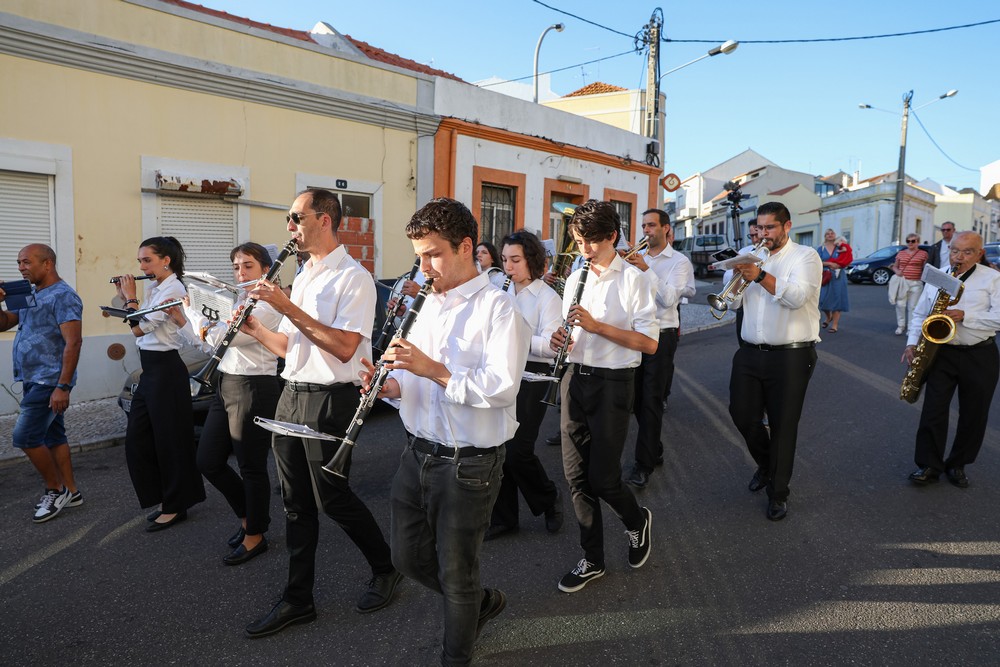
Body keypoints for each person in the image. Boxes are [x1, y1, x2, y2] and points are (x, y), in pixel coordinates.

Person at [363, 197, 528, 665]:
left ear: (466, 247)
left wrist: (434, 369)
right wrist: (390, 388)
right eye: (419, 256)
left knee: (456, 572)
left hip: (468, 464)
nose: (424, 267)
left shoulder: (499, 309)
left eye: (433, 254)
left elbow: (500, 388)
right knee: (406, 558)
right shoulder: (424, 306)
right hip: (415, 452)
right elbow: (415, 384)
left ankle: (457, 648)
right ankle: (477, 601)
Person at [241, 188, 398, 638]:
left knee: (332, 497)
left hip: (331, 398)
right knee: (295, 503)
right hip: (291, 392)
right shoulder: (306, 272)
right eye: (289, 219)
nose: (290, 227)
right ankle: (298, 599)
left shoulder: (354, 278)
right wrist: (255, 328)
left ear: (324, 220)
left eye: (296, 217)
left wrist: (286, 305)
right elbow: (292, 347)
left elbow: (345, 347)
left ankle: (386, 568)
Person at [549, 199, 658, 593]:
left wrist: (597, 327)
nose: (585, 250)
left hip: (614, 382)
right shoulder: (575, 276)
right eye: (579, 242)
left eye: (592, 241)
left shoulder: (634, 280)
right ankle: (592, 559)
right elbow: (572, 330)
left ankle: (636, 520)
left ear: (612, 236)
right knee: (576, 476)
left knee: (604, 478)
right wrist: (559, 338)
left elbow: (649, 344)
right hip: (575, 377)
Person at [168, 242, 282, 565]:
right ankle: (249, 516)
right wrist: (183, 319)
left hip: (254, 387)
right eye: (236, 267)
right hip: (226, 382)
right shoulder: (239, 301)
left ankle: (255, 534)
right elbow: (211, 346)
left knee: (251, 466)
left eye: (248, 266)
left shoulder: (268, 307)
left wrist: (195, 312)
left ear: (266, 270)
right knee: (207, 460)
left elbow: (223, 337)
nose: (240, 273)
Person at [728, 202, 822, 522]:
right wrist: (735, 277)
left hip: (791, 354)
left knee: (783, 425)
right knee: (742, 414)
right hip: (750, 351)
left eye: (770, 227)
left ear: (786, 226)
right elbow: (732, 304)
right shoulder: (749, 254)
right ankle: (768, 466)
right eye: (760, 227)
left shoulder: (805, 256)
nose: (763, 233)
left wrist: (759, 275)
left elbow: (796, 297)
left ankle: (778, 492)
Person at [115, 237, 206, 532]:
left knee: (170, 440)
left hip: (166, 369)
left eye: (147, 260)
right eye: (140, 261)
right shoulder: (156, 288)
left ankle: (176, 504)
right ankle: (165, 497)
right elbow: (137, 327)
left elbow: (140, 328)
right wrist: (124, 298)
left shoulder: (174, 289)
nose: (142, 267)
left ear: (166, 260)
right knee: (138, 439)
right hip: (151, 370)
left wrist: (130, 299)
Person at [904, 231, 1000, 488]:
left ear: (979, 253)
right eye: (955, 251)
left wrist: (965, 315)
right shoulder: (938, 276)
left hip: (980, 353)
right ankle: (928, 465)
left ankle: (958, 464)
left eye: (967, 252)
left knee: (974, 413)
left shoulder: (993, 278)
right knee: (933, 410)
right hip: (941, 352)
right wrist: (912, 342)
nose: (959, 257)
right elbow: (920, 313)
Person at [485, 230, 563, 541]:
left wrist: (515, 337)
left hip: (534, 375)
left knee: (518, 450)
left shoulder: (548, 298)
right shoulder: (499, 289)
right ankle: (505, 518)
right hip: (502, 370)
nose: (508, 267)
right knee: (499, 446)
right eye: (505, 259)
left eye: (515, 260)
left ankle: (549, 498)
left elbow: (552, 346)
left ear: (531, 260)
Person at [0, 244, 83, 523]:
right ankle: (72, 492)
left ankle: (55, 490)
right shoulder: (29, 292)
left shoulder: (64, 296)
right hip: (31, 378)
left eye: (26, 262)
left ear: (47, 264)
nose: (21, 268)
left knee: (24, 437)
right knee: (53, 436)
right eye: (18, 262)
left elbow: (74, 342)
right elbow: (5, 323)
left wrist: (63, 386)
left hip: (50, 381)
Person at [623, 209, 695, 488]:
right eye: (644, 225)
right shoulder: (636, 258)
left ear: (666, 228)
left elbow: (668, 299)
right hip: (635, 333)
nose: (646, 230)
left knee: (651, 399)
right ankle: (653, 447)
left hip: (662, 334)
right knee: (636, 399)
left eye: (651, 225)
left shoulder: (679, 262)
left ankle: (644, 465)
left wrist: (645, 269)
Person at [889, 234, 929, 336]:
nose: (910, 243)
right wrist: (897, 271)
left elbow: (926, 268)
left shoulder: (924, 254)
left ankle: (911, 327)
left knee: (913, 307)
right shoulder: (901, 253)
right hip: (902, 282)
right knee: (900, 305)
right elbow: (895, 266)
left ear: (918, 242)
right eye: (908, 241)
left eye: (913, 241)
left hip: (916, 283)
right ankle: (901, 326)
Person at [817, 229, 852, 333]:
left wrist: (841, 265)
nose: (830, 235)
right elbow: (816, 262)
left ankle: (835, 325)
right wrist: (829, 264)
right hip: (825, 276)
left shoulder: (841, 246)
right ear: (825, 236)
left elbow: (849, 259)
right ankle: (829, 317)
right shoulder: (821, 248)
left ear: (835, 235)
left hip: (838, 276)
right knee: (822, 300)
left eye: (832, 233)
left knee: (837, 299)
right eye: (828, 234)